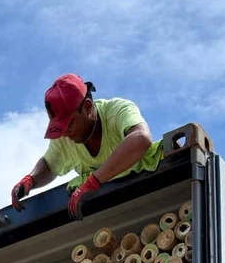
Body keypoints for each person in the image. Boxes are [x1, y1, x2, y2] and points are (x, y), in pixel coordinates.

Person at [11, 74, 161, 220]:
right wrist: (30, 179)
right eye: (60, 128)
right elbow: (50, 165)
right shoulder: (65, 137)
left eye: (69, 124)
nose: (65, 133)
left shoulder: (117, 111)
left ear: (87, 107)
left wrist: (94, 181)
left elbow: (141, 138)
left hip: (154, 183)